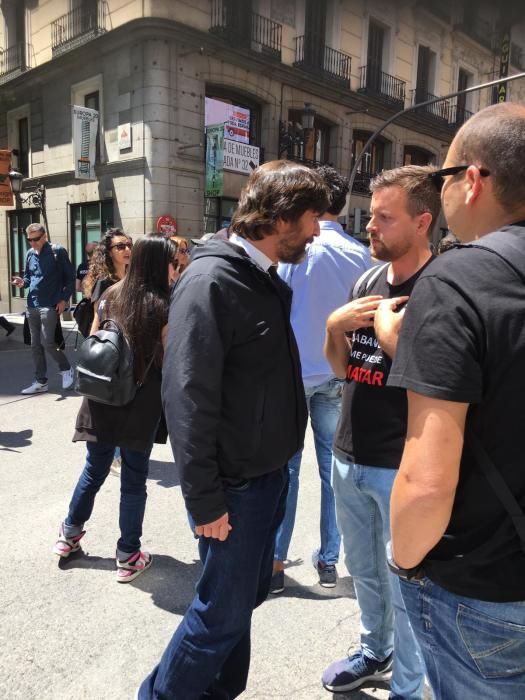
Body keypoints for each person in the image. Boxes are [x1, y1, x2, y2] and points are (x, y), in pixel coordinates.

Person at [138, 161, 329, 700]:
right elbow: (187, 398)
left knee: (238, 603)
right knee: (219, 614)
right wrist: (205, 500)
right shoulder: (211, 280)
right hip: (236, 487)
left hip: (264, 477)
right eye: (313, 218)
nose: (317, 231)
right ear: (281, 216)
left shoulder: (258, 275)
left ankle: (219, 693)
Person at [388, 103, 525, 698]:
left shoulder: (456, 281)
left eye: (442, 177)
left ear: (471, 180)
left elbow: (425, 483)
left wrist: (405, 564)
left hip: (488, 588)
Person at [322, 165, 440, 699]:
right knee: (364, 570)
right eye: (370, 216)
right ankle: (374, 652)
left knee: (406, 587)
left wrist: (395, 339)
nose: (369, 226)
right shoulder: (367, 281)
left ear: (422, 222)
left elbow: (445, 382)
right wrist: (333, 328)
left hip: (403, 463)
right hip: (348, 450)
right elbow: (342, 370)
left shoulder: (441, 289)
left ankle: (410, 688)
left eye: (383, 218)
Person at [53, 236, 177, 582]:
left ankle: (68, 535)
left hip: (101, 396)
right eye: (171, 262)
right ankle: (128, 554)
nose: (175, 268)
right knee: (134, 479)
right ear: (157, 264)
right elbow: (170, 360)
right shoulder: (161, 303)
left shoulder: (109, 294)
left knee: (94, 469)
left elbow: (94, 340)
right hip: (139, 402)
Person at [271, 165, 371, 593]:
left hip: (294, 374)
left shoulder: (293, 250)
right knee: (334, 473)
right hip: (337, 372)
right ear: (343, 205)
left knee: (286, 471)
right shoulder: (360, 255)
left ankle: (275, 560)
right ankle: (329, 560)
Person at [11, 224, 75, 395]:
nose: (33, 243)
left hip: (50, 304)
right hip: (32, 304)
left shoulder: (57, 251)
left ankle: (66, 368)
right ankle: (41, 381)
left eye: (36, 239)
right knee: (35, 345)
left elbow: (70, 278)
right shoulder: (29, 253)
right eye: (29, 240)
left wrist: (63, 298)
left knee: (47, 341)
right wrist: (22, 283)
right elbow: (28, 278)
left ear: (44, 236)